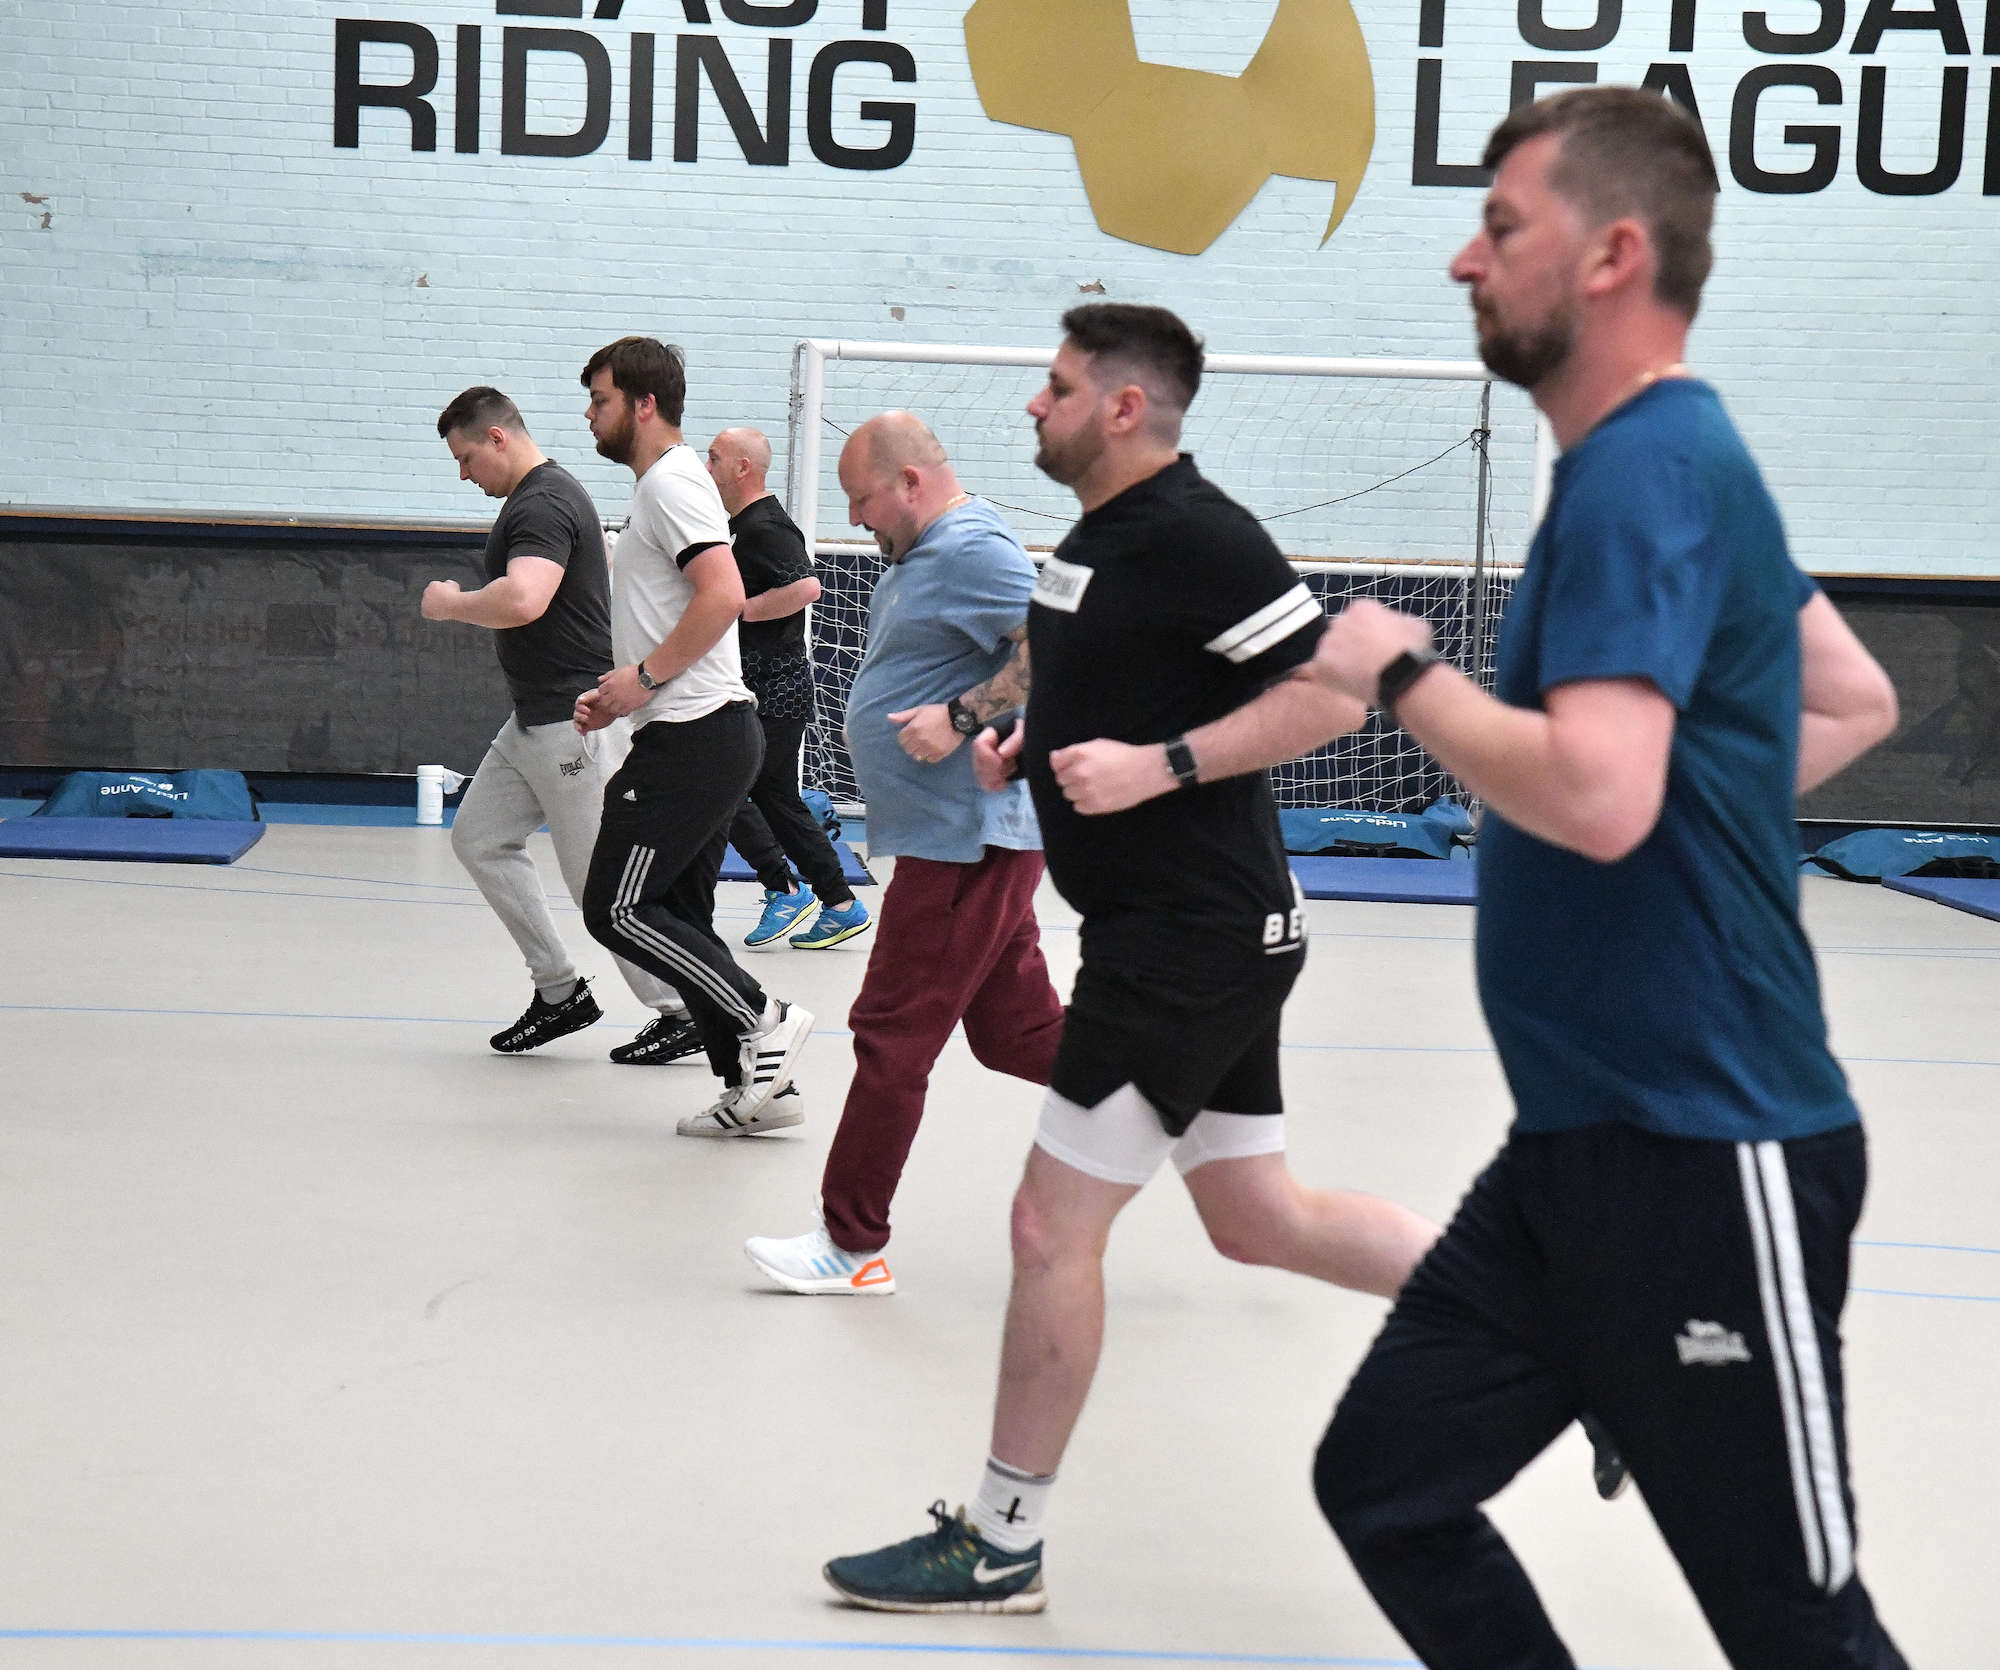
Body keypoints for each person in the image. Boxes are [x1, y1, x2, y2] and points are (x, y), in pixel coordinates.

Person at [1308, 88, 1907, 1670]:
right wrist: (1689, 803)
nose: (1464, 260)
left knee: (1796, 1625)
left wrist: (1402, 670)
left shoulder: (1649, 468)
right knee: (1386, 1483)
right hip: (1579, 1148)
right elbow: (1854, 701)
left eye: (1501, 227)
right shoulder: (1660, 466)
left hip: (1712, 1148)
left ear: (1612, 254)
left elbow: (1595, 789)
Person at [822, 306, 1440, 1612]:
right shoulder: (1093, 545)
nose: (1030, 407)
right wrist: (1016, 735)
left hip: (1189, 938)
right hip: (1188, 932)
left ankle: (999, 1540)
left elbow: (1334, 693)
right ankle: (1560, 1323)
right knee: (1257, 1217)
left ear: (1121, 406)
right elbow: (1071, 667)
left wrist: (1166, 763)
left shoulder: (1199, 536)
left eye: (1052, 387)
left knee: (1051, 1222)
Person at [743, 412, 1058, 1296]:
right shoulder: (928, 554)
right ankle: (1168, 1081)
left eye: (863, 501)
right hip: (965, 840)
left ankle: (852, 1245)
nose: (858, 522)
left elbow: (1064, 646)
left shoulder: (969, 549)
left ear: (911, 482)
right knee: (1016, 1035)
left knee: (891, 1034)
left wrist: (959, 718)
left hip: (965, 844)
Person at [572, 337, 813, 1136]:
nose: (589, 415)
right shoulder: (664, 487)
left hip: (697, 736)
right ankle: (760, 1088)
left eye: (600, 400)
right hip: (696, 728)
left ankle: (764, 1016)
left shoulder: (672, 481)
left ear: (644, 404)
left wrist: (643, 679)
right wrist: (627, 694)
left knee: (618, 907)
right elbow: (681, 609)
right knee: (683, 912)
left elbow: (723, 593)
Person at [422, 386, 700, 1065]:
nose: (464, 475)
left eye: (465, 459)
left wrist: (451, 604)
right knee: (480, 838)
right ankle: (559, 991)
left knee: (598, 886)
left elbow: (524, 597)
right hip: (533, 722)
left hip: (573, 722)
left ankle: (679, 1008)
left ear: (497, 439)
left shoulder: (542, 503)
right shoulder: (544, 499)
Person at [703, 426, 872, 951]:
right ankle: (837, 902)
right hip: (764, 686)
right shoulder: (742, 526)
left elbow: (806, 587)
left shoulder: (765, 526)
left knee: (725, 789)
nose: (705, 468)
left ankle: (788, 888)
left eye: (714, 459)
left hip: (774, 689)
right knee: (772, 797)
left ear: (743, 468)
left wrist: (739, 611)